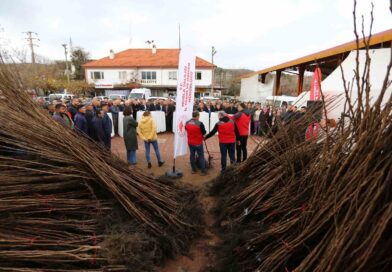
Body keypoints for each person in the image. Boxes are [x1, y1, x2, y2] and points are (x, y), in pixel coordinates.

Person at [185, 111, 207, 175]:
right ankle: (203, 171)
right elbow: (204, 133)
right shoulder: (200, 123)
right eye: (199, 116)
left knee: (192, 155)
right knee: (201, 156)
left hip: (190, 142)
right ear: (197, 116)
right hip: (198, 143)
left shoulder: (187, 122)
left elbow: (186, 129)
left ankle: (193, 170)